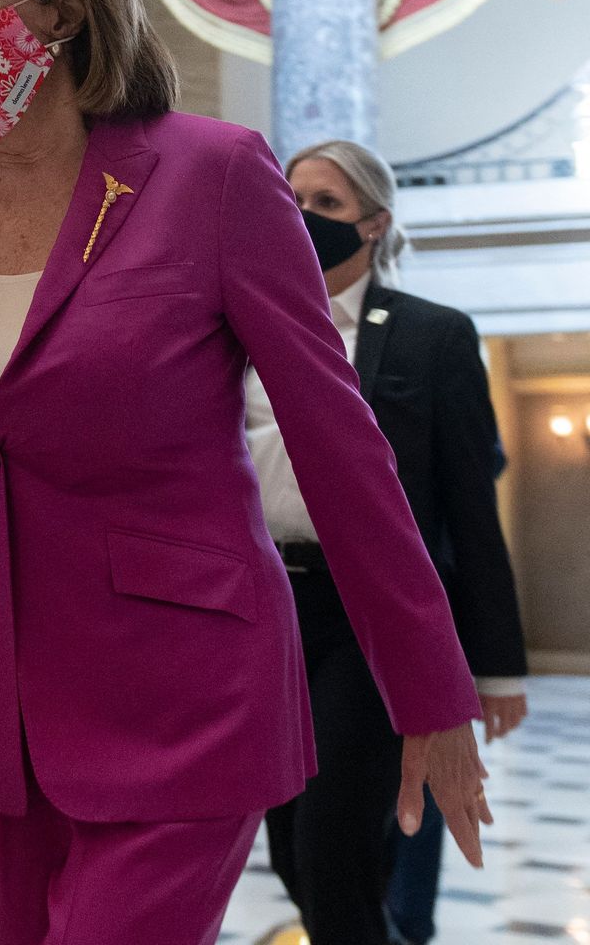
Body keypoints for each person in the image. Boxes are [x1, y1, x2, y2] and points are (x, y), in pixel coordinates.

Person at [0, 0, 489, 945]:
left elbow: (341, 449)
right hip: (13, 719)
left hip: (186, 698)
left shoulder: (214, 174)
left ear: (62, 6)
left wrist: (432, 694)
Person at [256, 140, 529, 945]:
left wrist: (495, 665)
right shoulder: (248, 324)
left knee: (332, 845)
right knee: (288, 848)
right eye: (292, 200)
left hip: (370, 616)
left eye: (328, 203)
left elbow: (469, 508)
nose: (305, 218)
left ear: (374, 223)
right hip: (267, 610)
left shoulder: (430, 335)